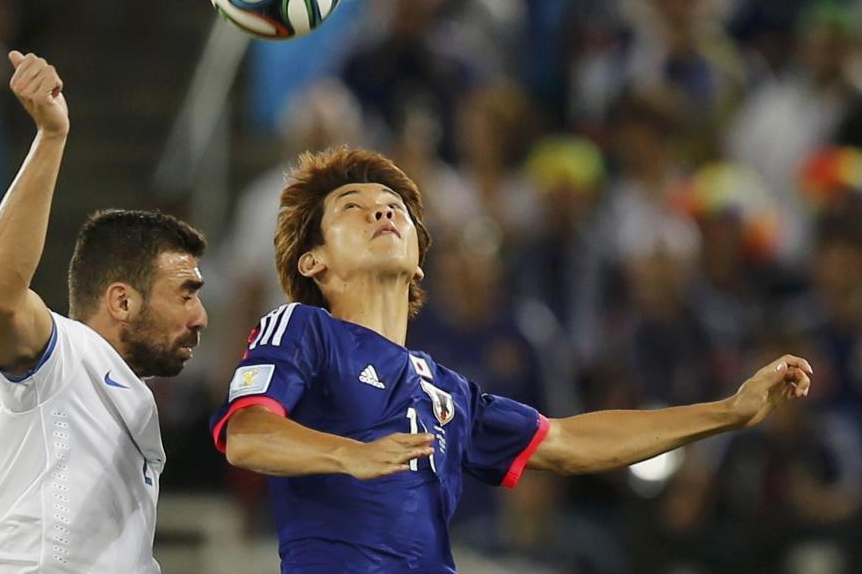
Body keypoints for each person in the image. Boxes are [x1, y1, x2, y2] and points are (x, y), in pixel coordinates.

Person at [210, 146, 812, 574]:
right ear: (312, 262)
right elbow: (246, 435)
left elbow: (569, 441)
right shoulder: (303, 328)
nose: (383, 211)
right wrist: (350, 454)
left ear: (420, 259)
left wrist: (728, 412)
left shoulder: (444, 389)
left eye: (393, 206)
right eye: (352, 206)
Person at [0, 52, 209, 573]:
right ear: (122, 301)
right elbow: (1, 296)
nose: (200, 316)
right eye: (185, 293)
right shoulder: (63, 359)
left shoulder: (131, 397)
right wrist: (51, 137)